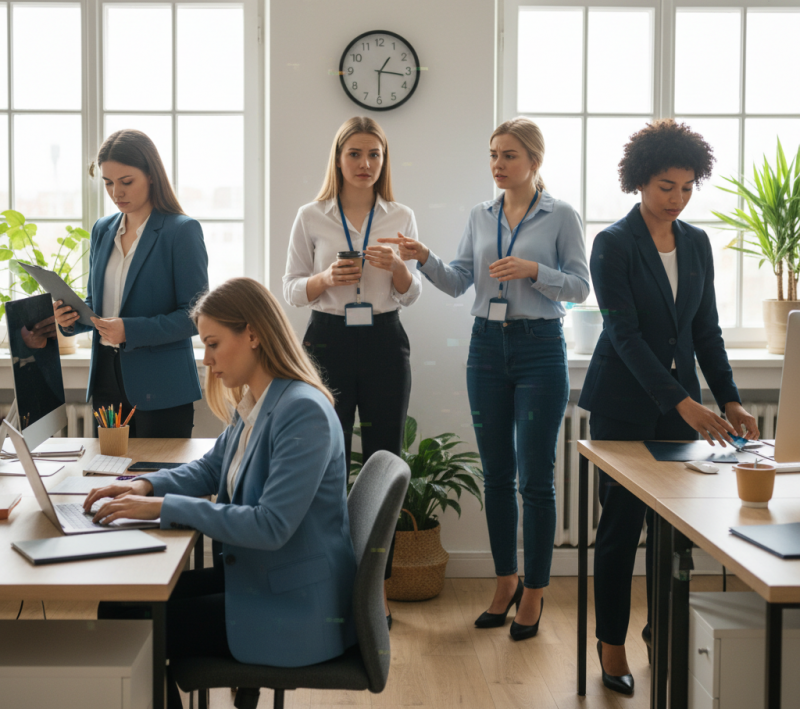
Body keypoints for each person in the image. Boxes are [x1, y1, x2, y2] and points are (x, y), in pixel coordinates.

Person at [83, 277, 357, 709]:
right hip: (267, 579)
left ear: (252, 334)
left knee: (127, 622)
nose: (207, 360)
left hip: (295, 606)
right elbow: (212, 468)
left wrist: (163, 506)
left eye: (212, 344)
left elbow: (271, 526)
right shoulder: (261, 399)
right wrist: (144, 483)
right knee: (121, 604)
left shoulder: (301, 411)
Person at [383, 117, 590, 640]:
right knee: (496, 476)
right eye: (493, 155)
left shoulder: (561, 214)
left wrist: (533, 272)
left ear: (534, 162)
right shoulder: (480, 215)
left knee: (535, 480)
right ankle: (505, 582)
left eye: (509, 156)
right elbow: (457, 282)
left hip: (540, 349)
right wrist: (424, 257)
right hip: (485, 348)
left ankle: (536, 593)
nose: (498, 165)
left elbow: (581, 288)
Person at [578, 119, 759, 695]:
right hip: (625, 407)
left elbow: (706, 332)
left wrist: (728, 398)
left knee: (672, 531)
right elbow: (625, 337)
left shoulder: (698, 243)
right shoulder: (611, 244)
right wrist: (682, 402)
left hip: (682, 407)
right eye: (665, 187)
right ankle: (611, 646)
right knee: (621, 528)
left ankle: (661, 632)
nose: (676, 199)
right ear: (639, 182)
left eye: (686, 187)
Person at [282, 116, 421, 626]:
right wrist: (324, 279)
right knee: (327, 464)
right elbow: (291, 288)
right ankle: (332, 583)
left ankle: (377, 593)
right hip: (326, 341)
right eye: (355, 154)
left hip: (385, 340)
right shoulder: (311, 215)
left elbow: (412, 292)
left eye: (374, 155)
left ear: (384, 161)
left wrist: (399, 270)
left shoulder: (400, 214)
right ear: (338, 159)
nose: (365, 165)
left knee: (385, 460)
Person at [54, 130, 208, 438]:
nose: (116, 192)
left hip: (162, 385)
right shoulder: (102, 230)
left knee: (155, 479)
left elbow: (196, 317)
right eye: (108, 183)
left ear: (151, 175)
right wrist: (71, 321)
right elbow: (98, 304)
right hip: (106, 380)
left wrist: (130, 330)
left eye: (126, 181)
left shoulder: (181, 231)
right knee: (109, 479)